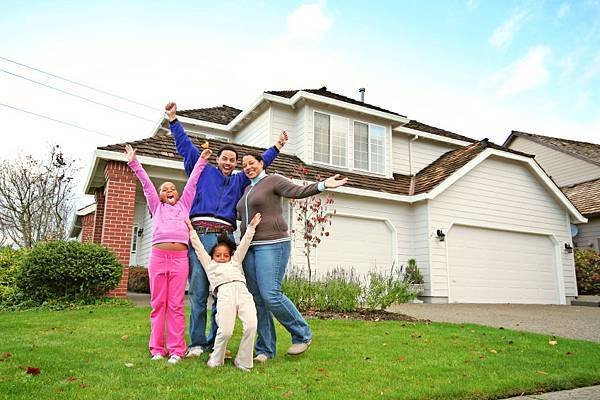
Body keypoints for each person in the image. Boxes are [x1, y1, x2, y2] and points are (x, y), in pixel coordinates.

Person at [165, 102, 288, 357]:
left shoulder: (239, 179)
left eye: (233, 160)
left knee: (221, 292)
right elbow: (186, 148)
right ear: (218, 159)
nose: (229, 163)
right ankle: (198, 343)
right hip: (200, 235)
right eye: (225, 158)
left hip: (224, 239)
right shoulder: (201, 172)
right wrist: (174, 121)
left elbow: (260, 163)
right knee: (199, 291)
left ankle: (214, 341)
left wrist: (277, 147)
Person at [236, 151, 348, 362]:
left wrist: (323, 185)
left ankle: (302, 334)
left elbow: (297, 191)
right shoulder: (247, 189)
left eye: (251, 163)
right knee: (258, 300)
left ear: (261, 163)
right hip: (249, 248)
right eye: (244, 165)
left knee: (270, 294)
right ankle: (265, 349)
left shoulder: (272, 180)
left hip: (272, 244)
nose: (248, 167)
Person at [124, 144, 211, 364]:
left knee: (175, 305)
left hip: (180, 260)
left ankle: (176, 350)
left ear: (178, 193)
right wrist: (134, 161)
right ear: (160, 196)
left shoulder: (184, 205)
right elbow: (146, 184)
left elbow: (192, 182)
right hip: (158, 259)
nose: (168, 190)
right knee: (158, 304)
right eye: (164, 189)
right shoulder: (156, 206)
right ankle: (156, 349)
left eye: (172, 187)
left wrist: (201, 160)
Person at [186, 212, 262, 371]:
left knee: (251, 325)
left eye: (225, 255)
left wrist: (251, 227)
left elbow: (244, 245)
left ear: (230, 256)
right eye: (218, 255)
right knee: (225, 331)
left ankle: (243, 361)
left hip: (243, 292)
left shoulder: (235, 262)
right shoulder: (209, 264)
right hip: (225, 295)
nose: (221, 257)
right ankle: (216, 358)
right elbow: (199, 248)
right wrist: (191, 230)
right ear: (213, 255)